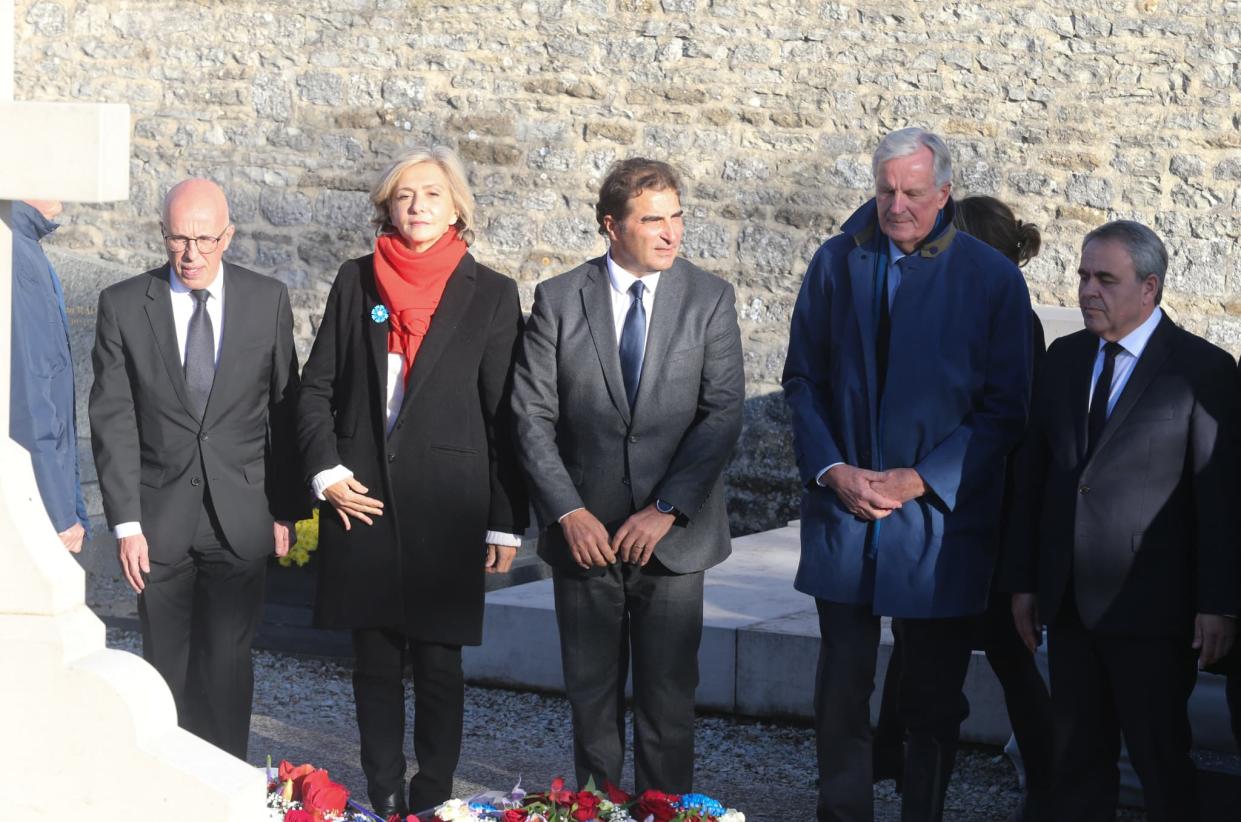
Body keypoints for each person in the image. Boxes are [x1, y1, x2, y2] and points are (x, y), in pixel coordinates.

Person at [782, 128, 1033, 822]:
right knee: (840, 687)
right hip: (844, 511)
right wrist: (835, 471)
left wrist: (918, 480)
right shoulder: (835, 262)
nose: (896, 205)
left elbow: (1005, 408)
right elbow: (802, 379)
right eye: (885, 190)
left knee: (928, 697)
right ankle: (842, 813)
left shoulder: (991, 278)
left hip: (939, 521)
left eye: (912, 192)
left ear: (943, 193)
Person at [296, 147, 528, 817]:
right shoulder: (355, 282)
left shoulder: (490, 294)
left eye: (430, 193)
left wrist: (505, 519)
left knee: (438, 667)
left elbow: (503, 414)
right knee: (372, 665)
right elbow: (316, 390)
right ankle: (384, 796)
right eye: (403, 195)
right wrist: (326, 471)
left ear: (456, 206)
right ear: (386, 208)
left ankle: (430, 801)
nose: (417, 205)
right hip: (358, 504)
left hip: (447, 510)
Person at [511, 158, 744, 794]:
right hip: (584, 538)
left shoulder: (710, 298)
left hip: (674, 541)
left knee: (669, 706)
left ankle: (664, 810)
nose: (671, 233)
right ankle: (599, 809)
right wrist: (567, 510)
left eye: (677, 217)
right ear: (612, 226)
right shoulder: (559, 300)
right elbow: (530, 416)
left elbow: (721, 414)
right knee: (592, 702)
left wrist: (667, 508)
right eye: (653, 220)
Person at [1001, 220, 1239, 821]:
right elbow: (1037, 476)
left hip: (1155, 609)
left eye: (1105, 279)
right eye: (1083, 276)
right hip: (1071, 604)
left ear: (1149, 288)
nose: (1087, 290)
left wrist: (1219, 604)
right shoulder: (1065, 357)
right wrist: (1025, 581)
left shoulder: (1201, 370)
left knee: (1161, 762)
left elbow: (1218, 497)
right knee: (1077, 760)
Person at [88, 179, 306, 759]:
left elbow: (286, 410)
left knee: (229, 662)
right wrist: (126, 523)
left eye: (204, 239)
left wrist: (287, 508)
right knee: (165, 662)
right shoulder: (124, 304)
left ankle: (225, 781)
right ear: (163, 236)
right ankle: (167, 781)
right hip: (158, 518)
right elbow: (113, 417)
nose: (190, 254)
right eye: (177, 238)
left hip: (241, 511)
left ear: (227, 236)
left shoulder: (268, 301)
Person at [872, 195, 1052, 821]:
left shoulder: (1008, 319)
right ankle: (894, 761)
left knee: (989, 654)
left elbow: (1008, 427)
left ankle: (1045, 783)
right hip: (954, 514)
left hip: (985, 518)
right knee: (930, 653)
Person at [10, 199, 88, 553]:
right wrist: (59, 512)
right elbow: (28, 394)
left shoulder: (24, 246)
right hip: (35, 505)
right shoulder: (14, 255)